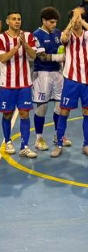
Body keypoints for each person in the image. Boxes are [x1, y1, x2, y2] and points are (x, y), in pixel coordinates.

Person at [50, 8, 88, 158]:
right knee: (64, 111)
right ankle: (59, 145)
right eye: (74, 18)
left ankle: (86, 145)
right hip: (71, 80)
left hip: (87, 81)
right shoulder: (67, 34)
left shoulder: (87, 35)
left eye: (79, 19)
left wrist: (82, 20)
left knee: (87, 112)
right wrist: (72, 21)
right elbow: (63, 39)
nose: (77, 21)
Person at [32, 7, 72, 151]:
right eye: (51, 22)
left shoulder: (57, 33)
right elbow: (41, 57)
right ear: (44, 21)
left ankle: (58, 135)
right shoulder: (37, 35)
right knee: (42, 108)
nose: (54, 25)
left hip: (58, 73)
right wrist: (59, 57)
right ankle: (39, 139)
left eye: (55, 22)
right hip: (42, 74)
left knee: (60, 107)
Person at [0, 11, 38, 158]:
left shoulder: (28, 36)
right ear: (7, 21)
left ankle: (24, 146)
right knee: (7, 114)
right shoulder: (1, 38)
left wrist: (24, 44)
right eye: (14, 19)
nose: (17, 21)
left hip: (24, 84)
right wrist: (16, 47)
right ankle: (8, 141)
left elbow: (33, 56)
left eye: (19, 19)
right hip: (7, 83)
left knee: (24, 114)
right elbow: (3, 58)